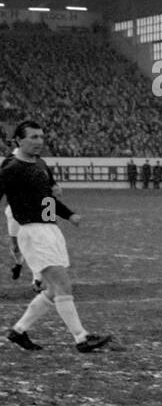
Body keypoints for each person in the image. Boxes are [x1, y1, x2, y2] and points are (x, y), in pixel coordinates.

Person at [0, 122, 112, 353]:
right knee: (62, 285)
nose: (39, 141)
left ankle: (18, 331)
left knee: (52, 289)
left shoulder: (41, 164)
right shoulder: (11, 167)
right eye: (33, 137)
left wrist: (68, 215)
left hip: (49, 229)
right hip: (33, 232)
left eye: (41, 136)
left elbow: (47, 200)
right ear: (19, 140)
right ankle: (81, 338)